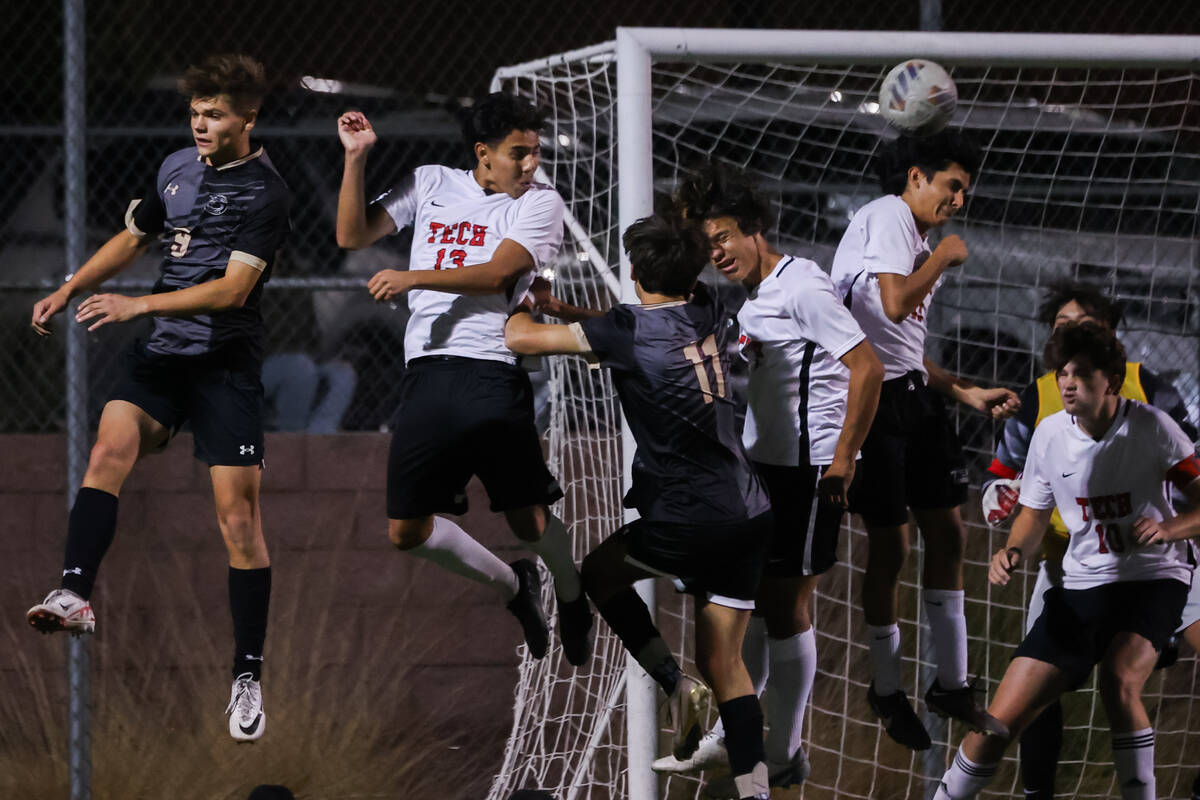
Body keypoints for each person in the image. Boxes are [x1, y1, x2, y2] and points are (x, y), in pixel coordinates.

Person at [25, 54, 290, 742]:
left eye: (216, 114)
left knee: (238, 524)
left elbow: (233, 291)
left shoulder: (266, 193)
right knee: (108, 447)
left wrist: (140, 306)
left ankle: (247, 676)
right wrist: (71, 286)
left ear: (247, 118)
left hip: (225, 367)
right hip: (164, 357)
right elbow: (133, 236)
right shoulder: (176, 167)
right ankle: (76, 593)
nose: (202, 124)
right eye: (195, 112)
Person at [505, 213, 774, 800]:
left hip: (688, 516)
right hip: (749, 511)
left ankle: (674, 685)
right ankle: (757, 792)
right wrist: (572, 313)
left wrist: (522, 300)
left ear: (631, 270)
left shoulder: (624, 330)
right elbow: (624, 330)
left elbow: (518, 339)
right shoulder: (705, 305)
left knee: (600, 574)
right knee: (726, 662)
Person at [334, 93, 592, 666]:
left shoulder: (541, 202)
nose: (530, 165)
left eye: (535, 153)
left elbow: (500, 274)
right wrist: (355, 158)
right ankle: (514, 587)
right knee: (405, 530)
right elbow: (352, 235)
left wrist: (412, 276)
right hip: (426, 371)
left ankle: (572, 593)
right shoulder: (431, 182)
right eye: (518, 154)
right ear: (483, 153)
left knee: (527, 519)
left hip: (492, 370)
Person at [653, 164, 883, 793]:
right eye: (708, 244)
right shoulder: (752, 299)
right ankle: (742, 735)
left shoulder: (801, 283)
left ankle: (784, 747)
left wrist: (842, 459)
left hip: (807, 473)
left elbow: (866, 368)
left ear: (755, 229)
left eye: (725, 237)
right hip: (761, 470)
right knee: (747, 605)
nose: (717, 253)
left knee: (786, 608)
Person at [933, 321, 1200, 800]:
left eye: (1081, 373)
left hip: (1152, 580)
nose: (1068, 383)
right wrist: (1012, 551)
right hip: (1079, 587)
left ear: (1111, 380)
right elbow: (1032, 517)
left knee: (1119, 680)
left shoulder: (1152, 427)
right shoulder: (1050, 434)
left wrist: (1168, 529)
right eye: (1062, 373)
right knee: (998, 720)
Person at [829, 130, 1020, 749]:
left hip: (911, 395)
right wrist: (942, 259)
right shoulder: (887, 216)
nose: (959, 198)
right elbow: (890, 305)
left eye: (964, 190)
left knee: (950, 532)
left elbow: (904, 344)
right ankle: (885, 687)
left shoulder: (916, 237)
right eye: (952, 185)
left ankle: (952, 684)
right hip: (872, 404)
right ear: (916, 177)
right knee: (893, 546)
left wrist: (962, 392)